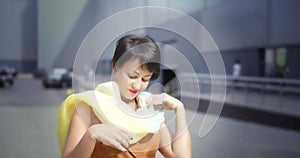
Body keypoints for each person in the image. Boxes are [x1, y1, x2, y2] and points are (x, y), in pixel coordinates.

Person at [57, 34, 191, 158]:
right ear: (115, 67)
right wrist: (91, 135)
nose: (138, 86)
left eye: (145, 79)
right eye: (133, 76)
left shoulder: (149, 108)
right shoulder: (90, 106)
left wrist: (179, 108)